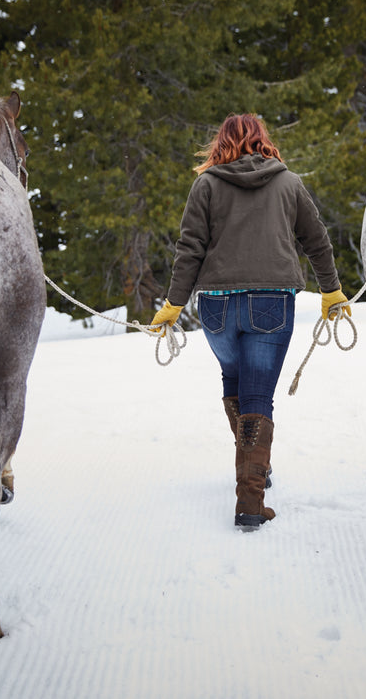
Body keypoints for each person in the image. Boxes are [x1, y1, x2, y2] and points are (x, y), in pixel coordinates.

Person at [149, 113, 350, 530]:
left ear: (221, 143)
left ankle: (253, 469)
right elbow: (317, 241)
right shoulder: (288, 182)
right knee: (257, 395)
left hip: (217, 307)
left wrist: (173, 303)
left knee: (235, 380)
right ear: (263, 141)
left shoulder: (206, 184)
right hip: (271, 302)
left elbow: (189, 250)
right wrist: (330, 290)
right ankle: (250, 502)